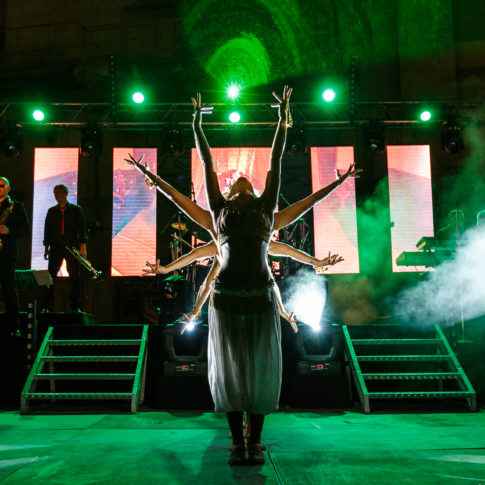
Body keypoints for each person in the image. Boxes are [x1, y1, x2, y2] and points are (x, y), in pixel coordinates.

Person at [43, 184, 87, 312]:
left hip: (72, 246)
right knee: (50, 277)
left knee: (74, 277)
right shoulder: (52, 211)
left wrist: (83, 248)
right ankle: (47, 306)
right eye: (55, 193)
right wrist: (47, 247)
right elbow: (47, 230)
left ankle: (76, 306)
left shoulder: (76, 210)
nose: (57, 195)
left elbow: (82, 229)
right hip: (56, 247)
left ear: (66, 194)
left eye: (60, 192)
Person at [0, 177, 30, 336]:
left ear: (8, 189)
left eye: (2, 186)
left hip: (7, 254)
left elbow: (26, 229)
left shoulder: (16, 207)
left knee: (9, 290)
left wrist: (9, 231)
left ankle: (14, 326)